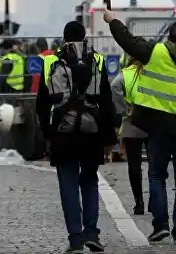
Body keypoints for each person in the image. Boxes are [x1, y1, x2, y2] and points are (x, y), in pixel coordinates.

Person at [103, 11, 176, 244]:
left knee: (157, 175)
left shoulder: (155, 52)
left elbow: (127, 41)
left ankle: (161, 225)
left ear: (169, 38)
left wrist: (112, 20)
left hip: (158, 127)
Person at [36, 20, 117, 253]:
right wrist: (109, 136)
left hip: (63, 132)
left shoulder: (51, 61)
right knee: (90, 182)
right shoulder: (97, 60)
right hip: (92, 132)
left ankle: (75, 239)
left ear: (64, 39)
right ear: (84, 38)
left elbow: (42, 103)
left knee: (68, 185)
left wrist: (47, 133)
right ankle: (92, 233)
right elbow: (106, 101)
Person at [110, 53, 148, 215]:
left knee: (134, 165)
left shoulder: (125, 74)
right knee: (155, 166)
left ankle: (139, 202)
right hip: (152, 123)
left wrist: (124, 110)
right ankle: (155, 201)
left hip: (131, 124)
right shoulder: (150, 71)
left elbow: (114, 87)